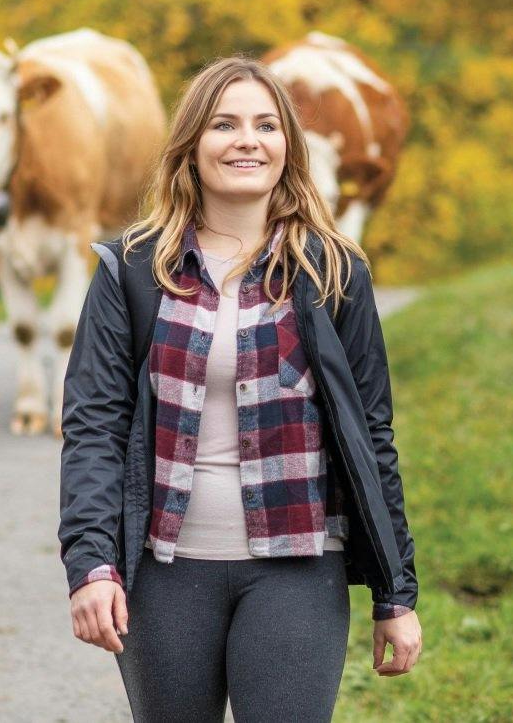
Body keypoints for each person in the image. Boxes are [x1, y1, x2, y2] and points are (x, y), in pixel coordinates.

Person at [58, 56, 422, 722]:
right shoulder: (131, 269)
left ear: (288, 146)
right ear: (192, 145)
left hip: (299, 569)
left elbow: (372, 435)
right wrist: (91, 565)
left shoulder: (334, 271)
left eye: (265, 125)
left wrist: (396, 594)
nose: (246, 140)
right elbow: (94, 431)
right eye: (224, 124)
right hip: (164, 573)